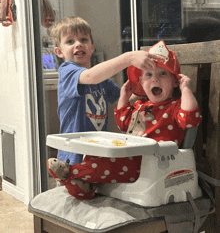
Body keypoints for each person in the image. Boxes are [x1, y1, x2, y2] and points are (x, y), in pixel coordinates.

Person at [47, 40, 202, 200]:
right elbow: (123, 122)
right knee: (94, 157)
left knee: (107, 164)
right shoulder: (141, 105)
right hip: (129, 155)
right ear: (141, 82)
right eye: (149, 75)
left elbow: (190, 120)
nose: (155, 80)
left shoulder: (175, 106)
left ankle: (70, 172)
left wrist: (186, 90)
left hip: (147, 163)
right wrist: (124, 97)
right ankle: (84, 188)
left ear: (175, 81)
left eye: (163, 74)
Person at [49, 16, 164, 165]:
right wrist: (128, 57)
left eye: (83, 40)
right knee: (74, 187)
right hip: (73, 152)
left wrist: (151, 89)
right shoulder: (67, 71)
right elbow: (90, 76)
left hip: (96, 148)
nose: (78, 44)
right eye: (70, 41)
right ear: (59, 52)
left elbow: (124, 98)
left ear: (92, 47)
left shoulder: (101, 80)